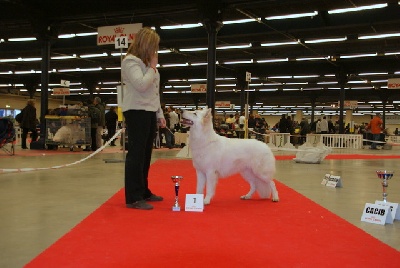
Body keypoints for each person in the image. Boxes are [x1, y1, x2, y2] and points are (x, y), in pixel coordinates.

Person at [121, 27, 166, 210]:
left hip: (149, 111)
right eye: (153, 46)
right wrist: (153, 69)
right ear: (146, 44)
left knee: (146, 154)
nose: (155, 50)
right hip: (136, 110)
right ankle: (133, 196)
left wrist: (160, 114)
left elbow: (155, 93)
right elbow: (141, 85)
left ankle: (144, 190)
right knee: (136, 154)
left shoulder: (149, 66)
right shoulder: (130, 61)